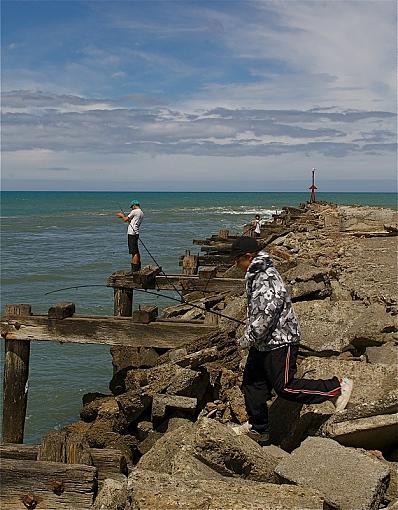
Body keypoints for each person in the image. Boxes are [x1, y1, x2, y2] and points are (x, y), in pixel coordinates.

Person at [230, 236, 353, 445]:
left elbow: (267, 314)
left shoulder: (265, 276)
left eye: (237, 260)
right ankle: (258, 428)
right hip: (263, 342)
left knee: (285, 386)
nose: (235, 264)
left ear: (248, 257)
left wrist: (247, 337)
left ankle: (337, 388)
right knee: (252, 384)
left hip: (281, 340)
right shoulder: (255, 274)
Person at [116, 199, 144, 272]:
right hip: (136, 233)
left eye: (132, 206)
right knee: (136, 251)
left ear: (134, 205)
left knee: (133, 252)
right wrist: (125, 218)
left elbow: (125, 219)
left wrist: (121, 215)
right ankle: (138, 268)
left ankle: (134, 271)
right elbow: (131, 221)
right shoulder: (141, 212)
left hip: (132, 233)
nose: (131, 208)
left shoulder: (134, 211)